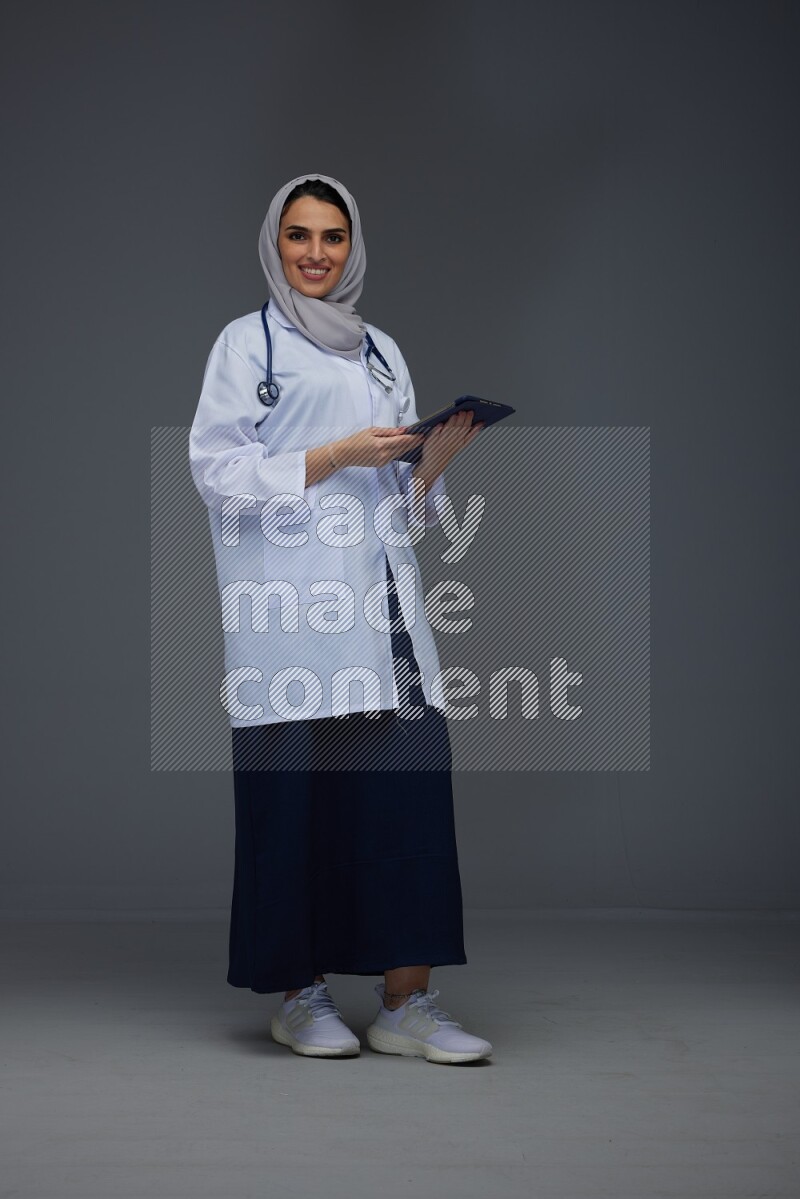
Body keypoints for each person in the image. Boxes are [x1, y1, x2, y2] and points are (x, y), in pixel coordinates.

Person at [189, 173, 492, 1065]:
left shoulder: (381, 352)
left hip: (383, 606)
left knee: (407, 795)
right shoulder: (246, 347)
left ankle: (408, 1003)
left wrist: (428, 469)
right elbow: (217, 471)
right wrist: (335, 455)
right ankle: (300, 994)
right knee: (296, 802)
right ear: (274, 244)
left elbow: (399, 505)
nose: (315, 254)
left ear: (351, 246)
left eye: (331, 237)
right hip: (288, 608)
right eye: (298, 236)